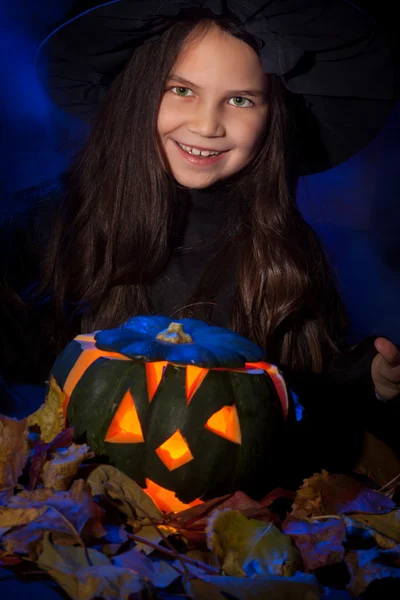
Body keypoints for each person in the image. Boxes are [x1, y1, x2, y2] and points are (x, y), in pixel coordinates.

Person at [1, 0, 399, 488]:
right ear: (137, 95)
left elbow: (299, 393)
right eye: (182, 90)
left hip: (223, 525)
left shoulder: (283, 248)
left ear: (272, 117)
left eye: (240, 100)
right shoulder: (43, 228)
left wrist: (368, 381)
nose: (208, 125)